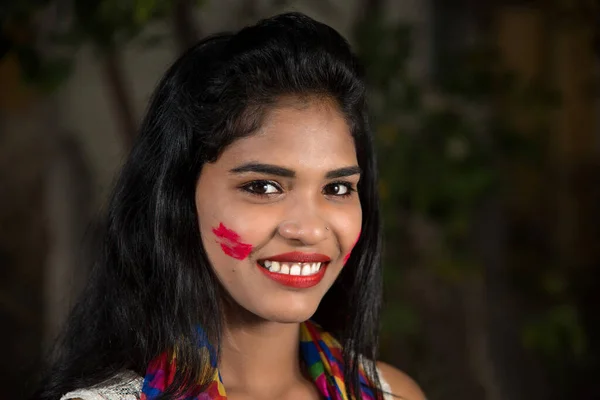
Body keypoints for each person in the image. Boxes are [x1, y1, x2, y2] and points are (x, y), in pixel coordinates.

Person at [32, 12, 425, 400]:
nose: (309, 229)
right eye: (264, 186)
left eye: (338, 188)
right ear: (180, 197)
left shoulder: (391, 393)